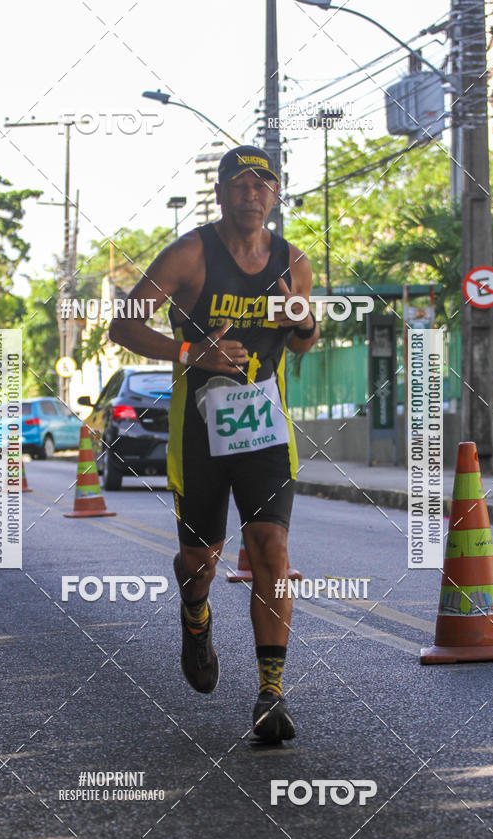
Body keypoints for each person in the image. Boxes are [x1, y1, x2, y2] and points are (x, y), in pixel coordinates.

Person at [109, 145, 318, 743]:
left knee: (271, 548)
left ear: (274, 194)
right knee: (200, 561)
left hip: (265, 427)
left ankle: (271, 694)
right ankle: (195, 615)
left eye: (263, 184)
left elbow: (304, 340)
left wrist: (302, 321)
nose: (252, 194)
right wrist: (190, 351)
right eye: (240, 184)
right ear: (221, 193)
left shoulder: (293, 261)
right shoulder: (189, 254)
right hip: (199, 430)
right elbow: (123, 324)